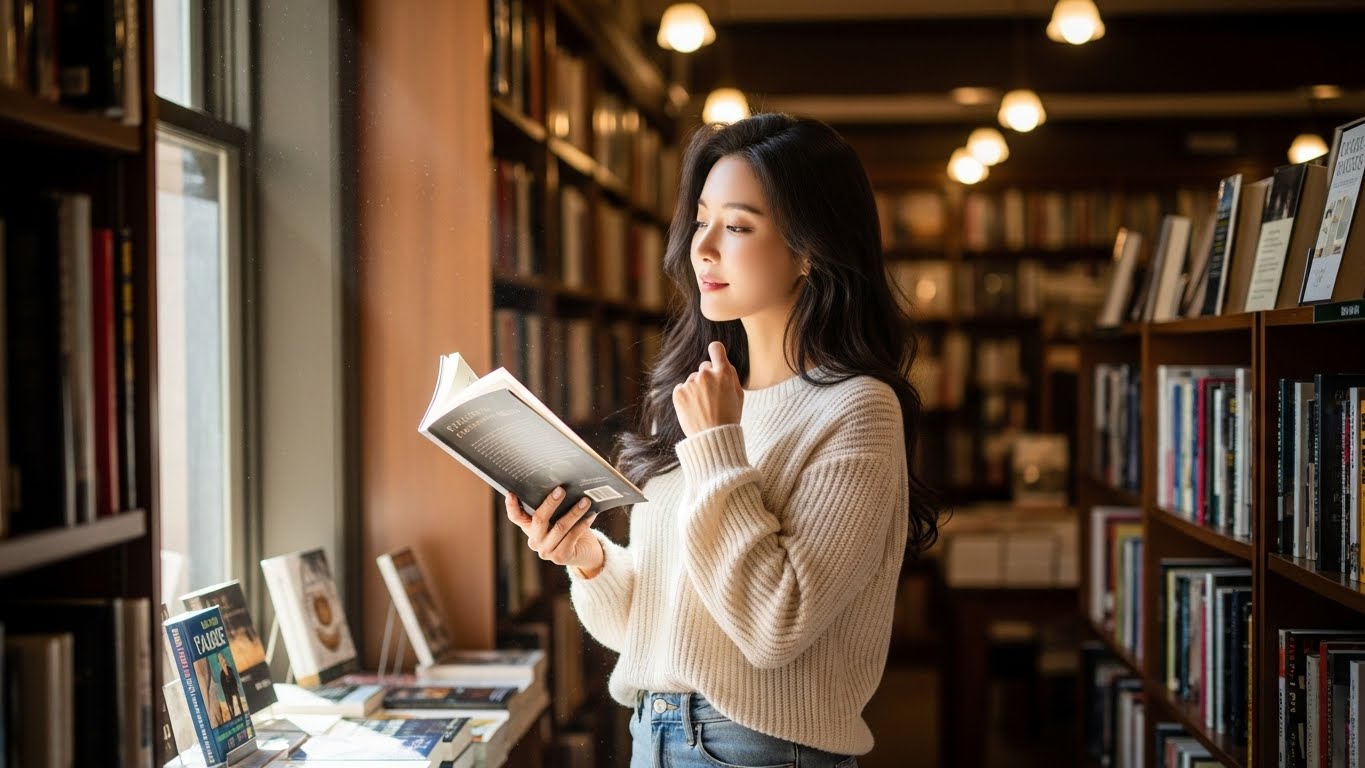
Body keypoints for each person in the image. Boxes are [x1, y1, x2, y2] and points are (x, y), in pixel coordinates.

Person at [504, 113, 944, 768]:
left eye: (736, 226)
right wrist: (586, 557)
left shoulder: (854, 408)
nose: (701, 246)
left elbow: (774, 626)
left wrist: (717, 444)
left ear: (809, 248)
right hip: (652, 733)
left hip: (756, 749)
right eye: (701, 218)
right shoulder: (692, 395)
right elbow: (652, 627)